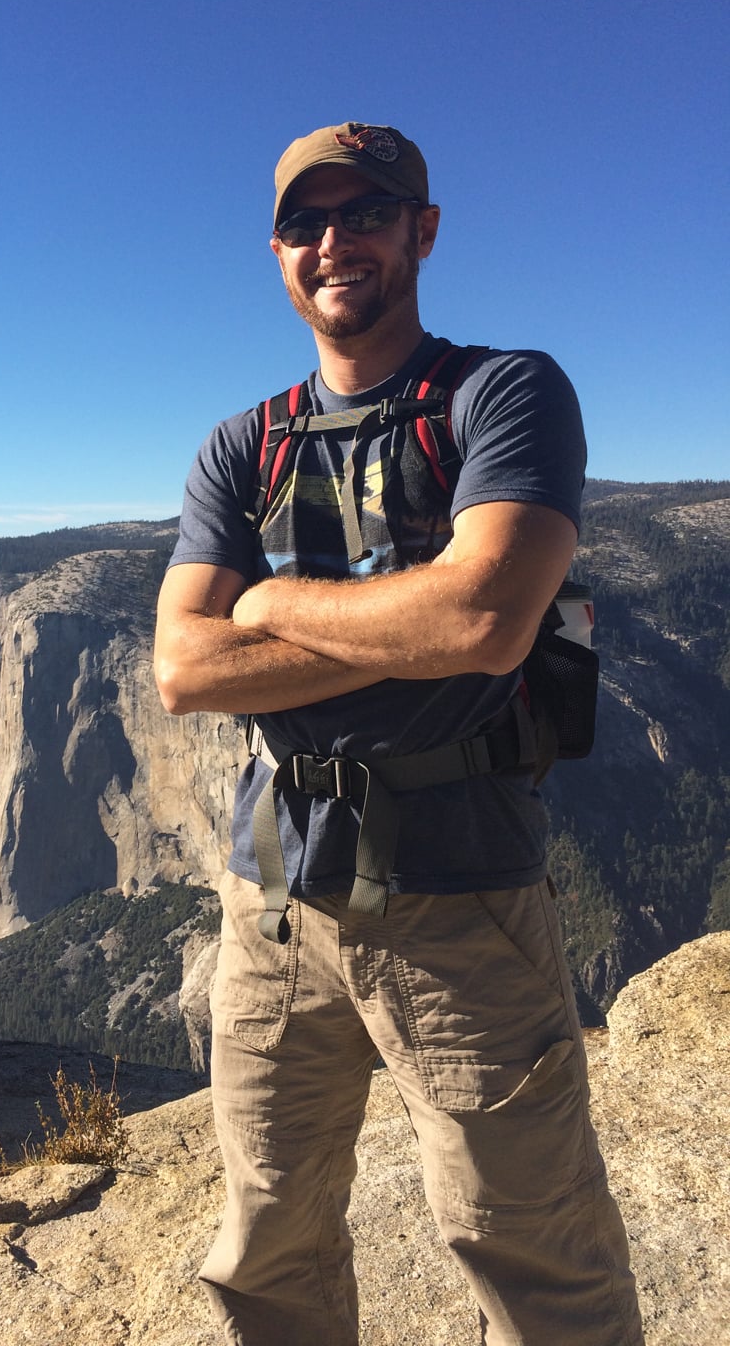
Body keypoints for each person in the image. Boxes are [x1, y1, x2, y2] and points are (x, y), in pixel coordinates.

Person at [153, 121, 644, 1346]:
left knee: (531, 1242)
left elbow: (484, 618)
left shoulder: (503, 394)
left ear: (423, 231)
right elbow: (183, 670)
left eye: (366, 213)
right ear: (277, 252)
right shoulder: (242, 446)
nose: (334, 242)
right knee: (266, 1240)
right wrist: (405, 622)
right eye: (304, 222)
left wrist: (269, 605)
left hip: (461, 895)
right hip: (272, 897)